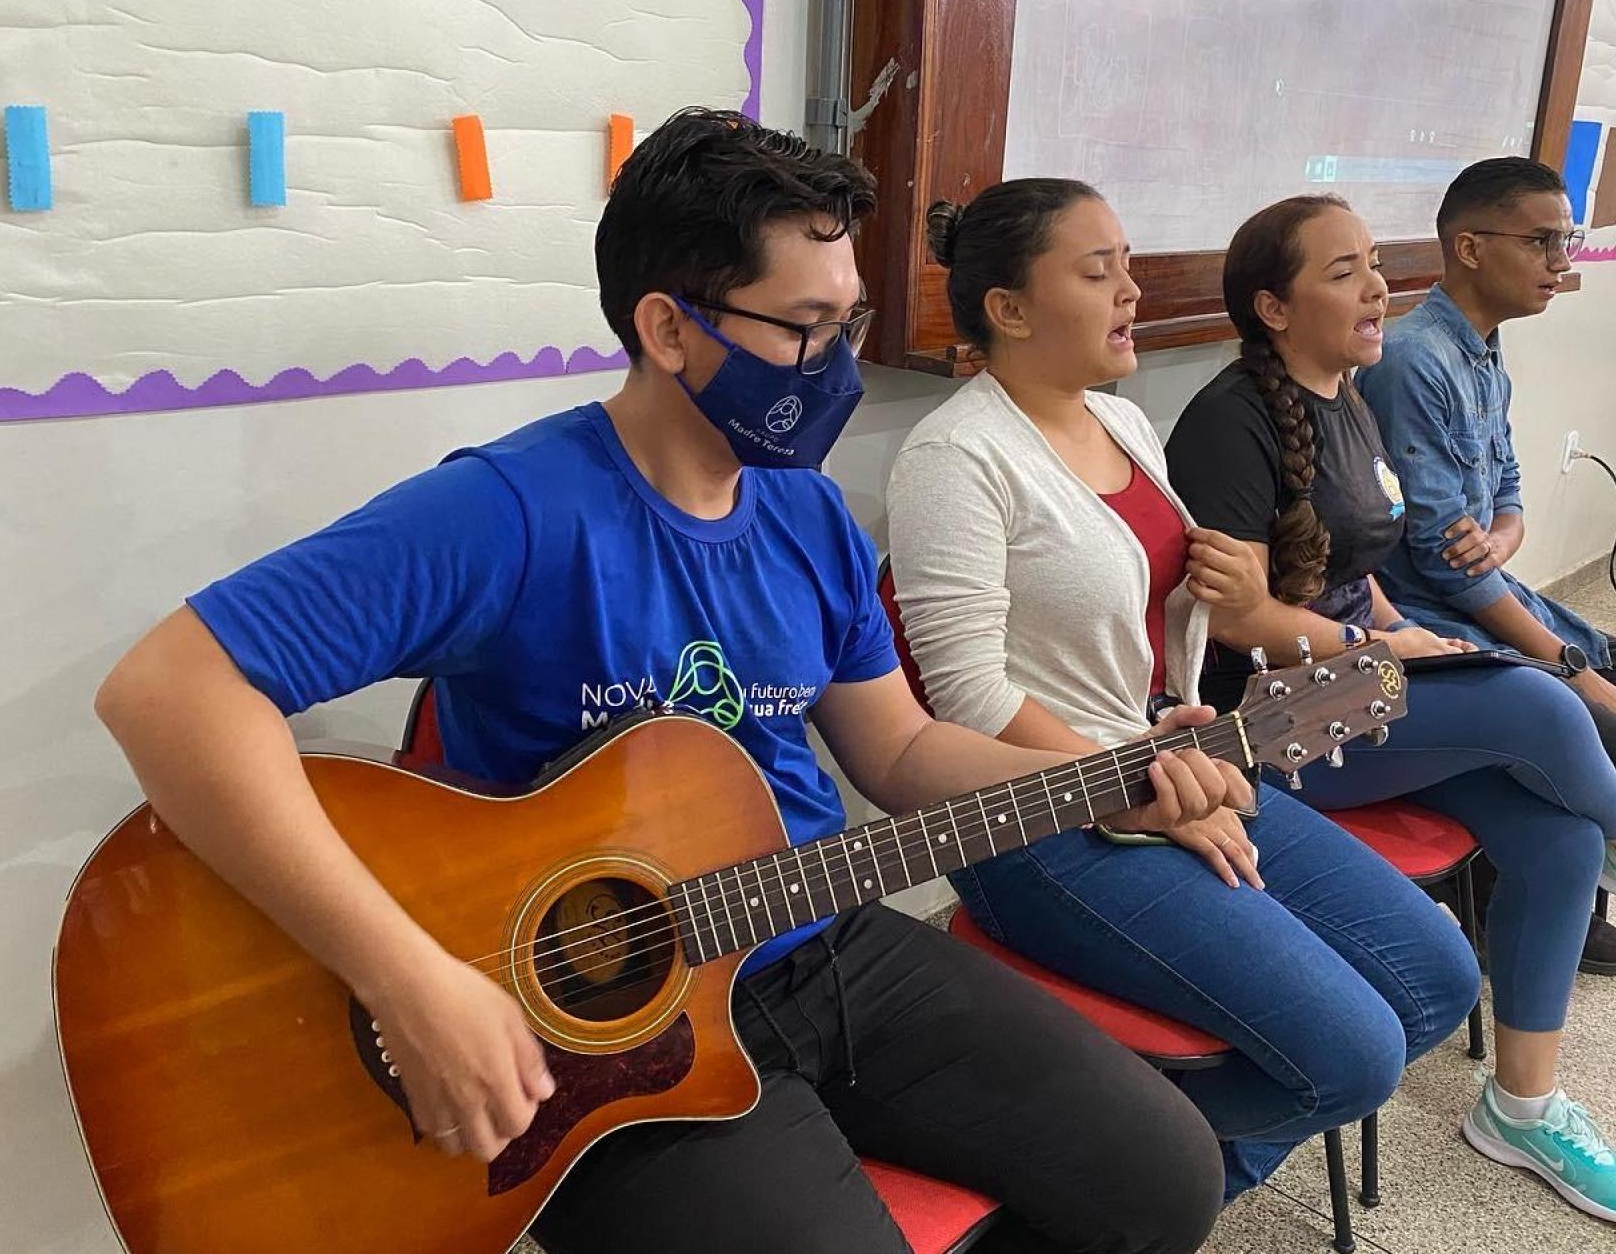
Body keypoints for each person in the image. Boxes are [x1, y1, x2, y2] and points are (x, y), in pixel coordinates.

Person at [92, 110, 1232, 1254]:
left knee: (1164, 1177)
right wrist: (407, 979)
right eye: (803, 326)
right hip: (586, 1020)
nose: (835, 362)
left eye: (849, 322)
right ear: (669, 329)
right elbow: (168, 689)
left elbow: (898, 753)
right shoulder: (511, 509)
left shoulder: (809, 511)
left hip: (812, 937)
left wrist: (1100, 777)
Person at [1163, 191, 1616, 1228]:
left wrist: (1390, 630)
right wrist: (1378, 646)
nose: (1378, 286)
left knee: (1551, 834)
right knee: (1538, 702)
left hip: (1353, 678)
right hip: (1267, 723)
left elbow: (1352, 570)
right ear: (1274, 308)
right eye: (1344, 271)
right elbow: (1237, 628)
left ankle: (1524, 1105)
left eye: (1375, 262)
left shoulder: (1349, 394)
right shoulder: (1227, 424)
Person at [884, 177, 1482, 1203]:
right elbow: (969, 693)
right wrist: (1138, 776)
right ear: (1010, 308)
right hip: (1030, 814)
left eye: (1126, 262)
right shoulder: (954, 455)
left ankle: (1155, 1182)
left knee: (1435, 977)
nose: (1130, 290)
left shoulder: (1122, 422)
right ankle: (1111, 1182)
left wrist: (1175, 713)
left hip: (1167, 768)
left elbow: (1138, 638)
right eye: (1096, 269)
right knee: (1356, 1055)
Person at [1355, 156, 1616, 978]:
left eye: (1565, 240)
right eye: (1542, 241)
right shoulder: (1412, 359)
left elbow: (1505, 496)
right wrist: (1569, 667)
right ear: (1469, 247)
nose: (1561, 262)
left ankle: (1550, 867)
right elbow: (1442, 561)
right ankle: (1539, 880)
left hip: (1503, 599)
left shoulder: (1480, 349)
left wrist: (1503, 540)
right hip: (1450, 626)